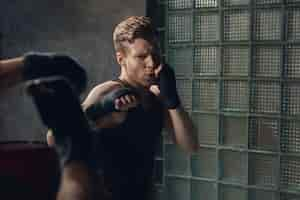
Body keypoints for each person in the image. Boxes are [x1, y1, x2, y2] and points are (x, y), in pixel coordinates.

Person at [47, 16, 198, 200]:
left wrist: (173, 101)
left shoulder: (157, 96)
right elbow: (54, 138)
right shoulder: (107, 91)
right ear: (121, 59)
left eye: (156, 54)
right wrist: (102, 109)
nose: (151, 63)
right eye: (141, 57)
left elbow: (190, 145)